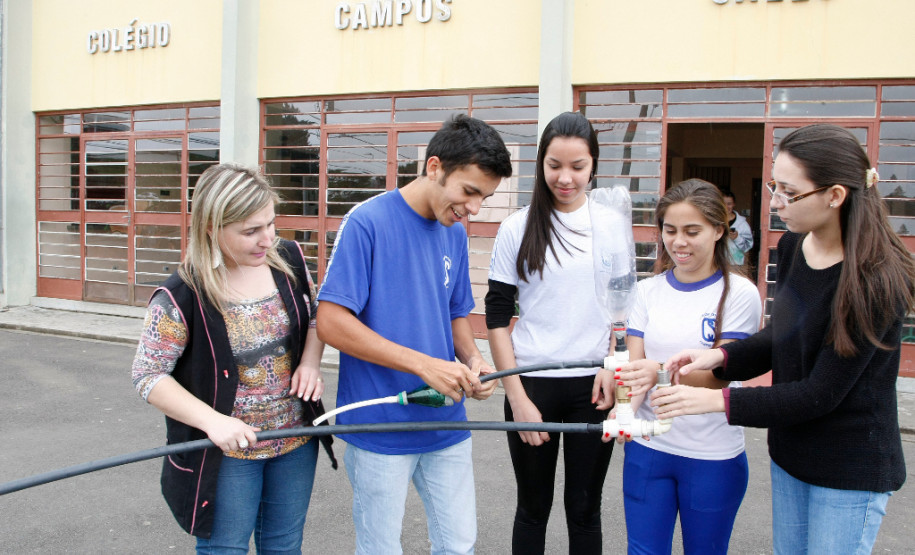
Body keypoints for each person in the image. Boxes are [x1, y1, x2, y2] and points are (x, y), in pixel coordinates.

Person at [653, 124, 914, 554]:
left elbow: (819, 394)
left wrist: (716, 400)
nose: (774, 201)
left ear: (835, 196)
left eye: (789, 193)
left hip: (850, 467)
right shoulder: (794, 246)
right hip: (792, 455)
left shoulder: (876, 278)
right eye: (776, 186)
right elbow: (780, 337)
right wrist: (718, 358)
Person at [316, 114, 513, 554]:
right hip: (381, 425)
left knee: (458, 545)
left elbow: (455, 313)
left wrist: (473, 360)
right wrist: (423, 365)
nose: (474, 208)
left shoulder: (453, 233)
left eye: (485, 197)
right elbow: (330, 321)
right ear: (434, 167)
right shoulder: (367, 222)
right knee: (381, 548)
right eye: (470, 191)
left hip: (445, 422)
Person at [131, 163, 335, 552]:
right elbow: (148, 375)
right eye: (250, 231)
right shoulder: (182, 294)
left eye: (271, 223)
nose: (268, 239)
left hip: (295, 439)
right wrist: (213, 421)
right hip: (227, 453)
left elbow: (315, 315)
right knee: (226, 549)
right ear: (211, 228)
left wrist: (310, 362)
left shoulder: (289, 259)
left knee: (285, 546)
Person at [484, 111, 616, 554]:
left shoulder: (610, 224)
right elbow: (497, 318)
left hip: (594, 387)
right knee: (532, 507)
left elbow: (624, 310)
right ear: (541, 163)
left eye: (578, 166)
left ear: (593, 165)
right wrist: (517, 397)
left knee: (585, 509)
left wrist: (612, 364)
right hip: (531, 384)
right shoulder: (516, 227)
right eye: (554, 165)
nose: (565, 177)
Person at [610, 179, 762, 554]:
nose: (679, 242)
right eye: (670, 230)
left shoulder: (740, 293)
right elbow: (634, 368)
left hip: (712, 456)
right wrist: (623, 408)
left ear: (718, 230)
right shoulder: (647, 291)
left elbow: (718, 377)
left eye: (692, 231)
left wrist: (657, 371)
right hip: (649, 449)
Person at [722, 189, 753, 268]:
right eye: (723, 203)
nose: (726, 207)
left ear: (734, 204)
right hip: (715, 263)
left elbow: (748, 246)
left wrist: (737, 238)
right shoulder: (713, 221)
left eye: (729, 204)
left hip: (735, 264)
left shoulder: (742, 224)